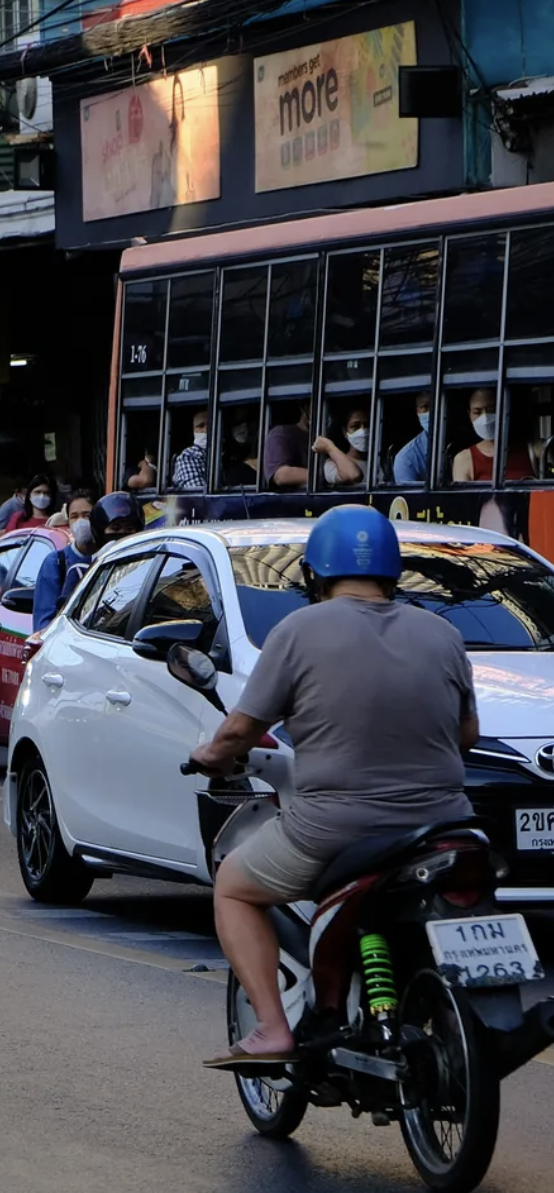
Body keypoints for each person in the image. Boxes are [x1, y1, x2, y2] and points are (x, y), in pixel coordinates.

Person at [189, 507, 476, 1064]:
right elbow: (465, 734)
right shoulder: (443, 632)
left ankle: (272, 1029)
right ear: (392, 570)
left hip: (336, 828)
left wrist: (211, 755)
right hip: (447, 826)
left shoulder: (298, 630)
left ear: (315, 572)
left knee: (233, 884)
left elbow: (244, 728)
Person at [29, 491, 95, 628]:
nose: (81, 522)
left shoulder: (107, 557)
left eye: (86, 515)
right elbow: (43, 623)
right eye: (74, 517)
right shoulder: (56, 562)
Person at [453, 387, 534, 482]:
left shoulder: (531, 450)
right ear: (469, 414)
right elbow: (463, 497)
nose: (485, 417)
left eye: (491, 409)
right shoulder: (464, 459)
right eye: (477, 412)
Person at [314, 405, 368, 487]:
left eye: (367, 425)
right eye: (355, 426)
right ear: (345, 432)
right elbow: (353, 475)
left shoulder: (380, 463)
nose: (363, 431)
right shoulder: (332, 464)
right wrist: (329, 447)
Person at [263, 401, 311, 490]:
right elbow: (280, 475)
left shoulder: (332, 436)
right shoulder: (282, 433)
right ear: (304, 408)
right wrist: (325, 476)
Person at [392, 391, 432, 484]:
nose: (431, 412)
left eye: (436, 406)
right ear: (417, 411)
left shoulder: (457, 444)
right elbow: (411, 498)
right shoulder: (406, 458)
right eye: (425, 407)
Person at [170, 410, 210, 491]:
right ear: (193, 431)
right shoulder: (189, 456)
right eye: (201, 426)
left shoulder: (225, 455)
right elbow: (198, 496)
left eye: (210, 424)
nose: (206, 429)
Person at [220, 408, 260, 488]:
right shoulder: (224, 458)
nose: (244, 426)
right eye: (238, 422)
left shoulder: (260, 447)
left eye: (248, 421)